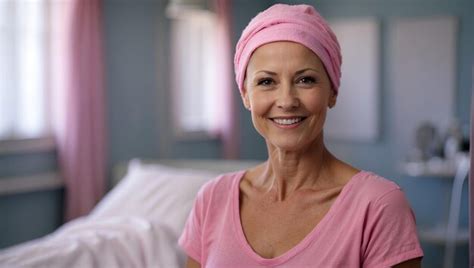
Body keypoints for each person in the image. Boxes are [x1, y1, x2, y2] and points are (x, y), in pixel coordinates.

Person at [179, 4, 424, 268]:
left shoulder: (379, 206)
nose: (286, 101)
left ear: (332, 91)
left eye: (305, 80)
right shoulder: (212, 199)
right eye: (266, 82)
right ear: (245, 95)